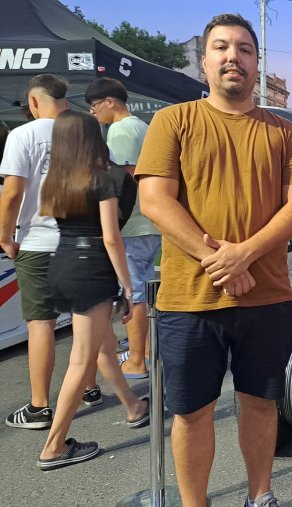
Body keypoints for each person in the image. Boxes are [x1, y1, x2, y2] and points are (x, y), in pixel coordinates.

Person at [135, 13, 292, 507]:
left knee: (260, 405)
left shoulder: (283, 133)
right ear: (205, 61)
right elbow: (155, 200)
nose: (232, 56)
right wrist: (219, 260)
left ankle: (260, 495)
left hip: (266, 296)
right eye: (220, 47)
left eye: (244, 49)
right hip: (189, 298)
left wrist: (244, 256)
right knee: (192, 411)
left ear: (258, 65)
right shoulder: (173, 121)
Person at [34, 110, 148, 470]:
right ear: (93, 138)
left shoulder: (56, 180)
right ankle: (54, 445)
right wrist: (127, 287)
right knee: (81, 359)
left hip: (62, 264)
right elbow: (111, 237)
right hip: (92, 268)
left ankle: (132, 406)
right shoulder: (102, 179)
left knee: (103, 347)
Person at [1, 74, 99, 429]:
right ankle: (88, 386)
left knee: (41, 322)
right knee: (83, 319)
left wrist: (6, 237)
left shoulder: (22, 135)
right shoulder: (85, 135)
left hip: (38, 242)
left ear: (32, 101)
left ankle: (39, 406)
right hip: (81, 240)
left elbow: (12, 193)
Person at [84, 77, 157, 379]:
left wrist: (111, 221)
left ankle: (138, 359)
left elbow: (125, 179)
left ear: (110, 102)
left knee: (134, 293)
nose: (92, 112)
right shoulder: (140, 126)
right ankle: (147, 352)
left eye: (94, 105)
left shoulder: (121, 130)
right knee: (144, 291)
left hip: (132, 224)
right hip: (147, 222)